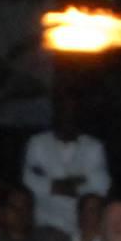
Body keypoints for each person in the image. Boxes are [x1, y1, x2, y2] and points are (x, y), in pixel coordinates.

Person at [21, 90, 109, 223]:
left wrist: (50, 183)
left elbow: (101, 186)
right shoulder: (37, 143)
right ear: (56, 113)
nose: (68, 117)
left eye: (72, 112)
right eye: (63, 111)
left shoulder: (94, 147)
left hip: (80, 226)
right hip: (44, 222)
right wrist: (80, 181)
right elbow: (28, 181)